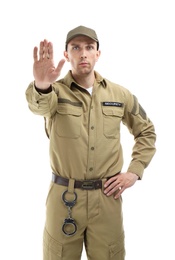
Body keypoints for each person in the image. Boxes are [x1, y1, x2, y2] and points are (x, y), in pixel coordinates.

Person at [25, 25, 156, 260]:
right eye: (76, 47)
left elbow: (146, 132)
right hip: (64, 196)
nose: (83, 53)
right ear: (66, 55)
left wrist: (134, 172)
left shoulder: (120, 95)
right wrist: (41, 85)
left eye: (89, 47)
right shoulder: (54, 92)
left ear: (98, 53)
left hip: (107, 198)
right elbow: (39, 106)